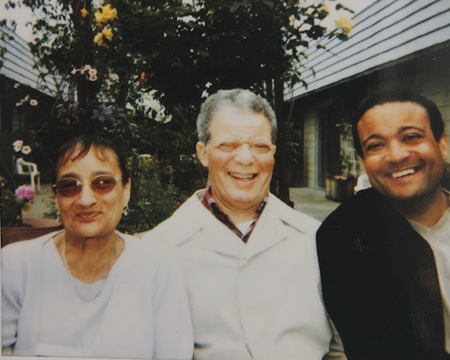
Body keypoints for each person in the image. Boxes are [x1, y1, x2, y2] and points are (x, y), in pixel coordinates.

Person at [141, 89, 343, 360]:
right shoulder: (159, 249)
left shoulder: (317, 239)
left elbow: (343, 348)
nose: (246, 159)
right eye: (228, 145)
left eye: (260, 146)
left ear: (273, 153)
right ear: (203, 153)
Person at [2, 135, 193, 358]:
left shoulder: (158, 269)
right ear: (57, 198)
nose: (86, 199)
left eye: (103, 183)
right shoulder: (15, 266)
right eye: (69, 186)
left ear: (126, 190)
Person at [316, 90, 450, 360]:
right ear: (363, 162)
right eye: (376, 145)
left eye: (411, 137)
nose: (397, 155)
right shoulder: (345, 238)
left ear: (442, 144)